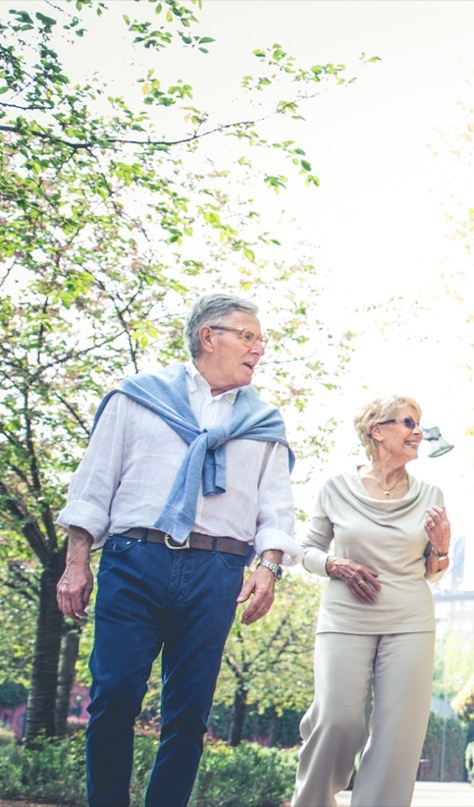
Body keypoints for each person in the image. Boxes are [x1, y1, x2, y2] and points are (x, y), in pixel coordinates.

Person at [55, 293, 297, 806]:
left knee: (188, 714)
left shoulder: (264, 424)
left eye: (261, 339)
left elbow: (277, 509)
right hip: (135, 560)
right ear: (210, 336)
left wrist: (269, 567)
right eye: (248, 336)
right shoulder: (135, 398)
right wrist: (76, 562)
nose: (260, 349)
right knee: (114, 696)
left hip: (218, 568)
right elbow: (94, 485)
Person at [291, 394, 451, 807]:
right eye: (407, 423)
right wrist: (335, 565)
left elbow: (432, 572)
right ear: (376, 431)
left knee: (399, 733)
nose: (417, 432)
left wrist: (442, 549)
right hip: (345, 618)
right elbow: (305, 550)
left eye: (418, 424)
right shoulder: (336, 487)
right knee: (337, 721)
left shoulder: (431, 493)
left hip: (410, 621)